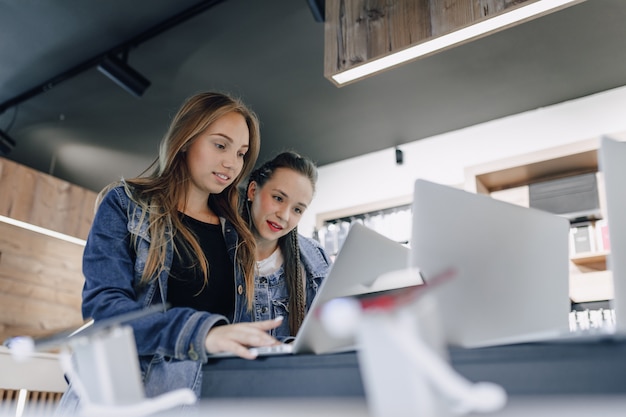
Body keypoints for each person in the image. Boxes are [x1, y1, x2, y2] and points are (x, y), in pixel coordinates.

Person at [56, 91, 281, 414]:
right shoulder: (124, 204)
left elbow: (237, 331)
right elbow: (106, 310)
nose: (232, 163)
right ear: (186, 139)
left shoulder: (237, 235)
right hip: (126, 399)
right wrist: (202, 334)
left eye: (242, 153)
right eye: (220, 145)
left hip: (200, 401)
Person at [243, 151, 332, 339]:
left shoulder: (316, 260)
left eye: (297, 209)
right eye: (278, 198)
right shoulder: (216, 249)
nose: (284, 215)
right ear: (253, 191)